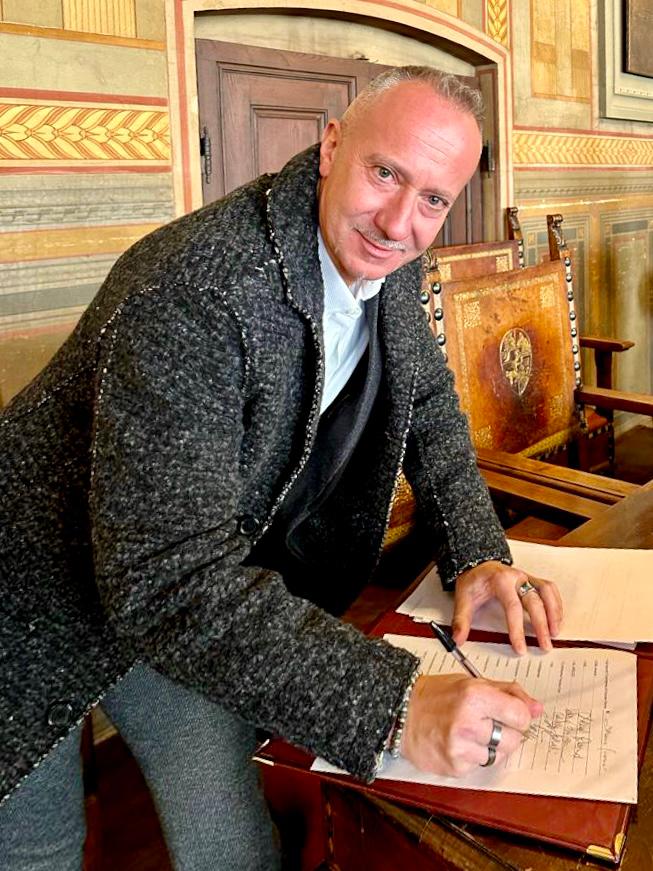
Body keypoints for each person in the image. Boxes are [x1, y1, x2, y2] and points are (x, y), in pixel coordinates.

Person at [0, 66, 562, 870]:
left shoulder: (390, 260)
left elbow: (427, 402)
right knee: (39, 850)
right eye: (384, 172)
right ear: (331, 146)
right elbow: (166, 577)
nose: (399, 222)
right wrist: (396, 702)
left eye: (433, 199)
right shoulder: (199, 286)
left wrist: (475, 551)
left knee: (230, 835)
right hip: (32, 588)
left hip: (170, 581)